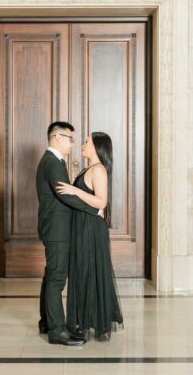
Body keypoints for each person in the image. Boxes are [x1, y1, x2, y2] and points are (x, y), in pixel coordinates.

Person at [55, 132, 124, 341]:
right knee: (81, 271)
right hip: (82, 226)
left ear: (96, 147)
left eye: (87, 141)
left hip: (91, 228)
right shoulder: (88, 169)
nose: (83, 144)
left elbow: (101, 202)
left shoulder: (99, 170)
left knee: (91, 271)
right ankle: (82, 321)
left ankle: (98, 323)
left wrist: (75, 191)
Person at [35, 121, 98, 346]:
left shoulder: (53, 161)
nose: (72, 143)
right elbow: (66, 195)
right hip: (57, 229)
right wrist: (95, 209)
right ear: (57, 138)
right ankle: (57, 330)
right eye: (69, 138)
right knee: (57, 277)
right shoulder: (52, 162)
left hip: (54, 227)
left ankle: (46, 321)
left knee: (52, 274)